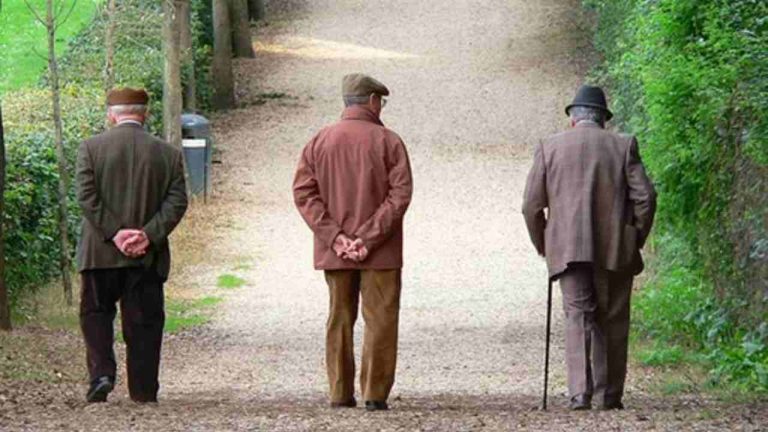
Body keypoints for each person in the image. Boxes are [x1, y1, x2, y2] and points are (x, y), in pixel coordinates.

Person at [522, 85, 657, 410]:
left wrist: (544, 243)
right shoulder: (623, 145)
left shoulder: (549, 147)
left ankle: (580, 394)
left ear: (573, 119)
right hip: (615, 249)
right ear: (603, 120)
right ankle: (607, 395)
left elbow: (531, 206)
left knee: (577, 316)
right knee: (612, 319)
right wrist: (634, 237)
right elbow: (646, 198)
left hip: (568, 250)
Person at [293, 73, 413, 411]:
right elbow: (400, 195)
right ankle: (374, 393)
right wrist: (367, 238)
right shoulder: (389, 142)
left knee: (339, 317)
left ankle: (339, 392)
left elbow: (304, 193)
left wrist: (336, 238)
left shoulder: (319, 141)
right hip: (382, 251)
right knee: (381, 319)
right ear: (372, 101)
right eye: (381, 101)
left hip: (335, 252)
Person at [76, 88, 188, 403]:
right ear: (145, 113)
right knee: (144, 322)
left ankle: (101, 375)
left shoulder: (90, 148)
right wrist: (147, 235)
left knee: (96, 314)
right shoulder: (168, 154)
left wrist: (115, 234)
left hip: (99, 253)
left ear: (111, 115)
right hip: (146, 257)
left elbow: (86, 196)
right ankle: (143, 389)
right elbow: (177, 202)